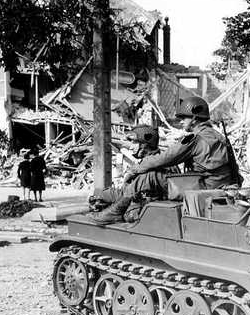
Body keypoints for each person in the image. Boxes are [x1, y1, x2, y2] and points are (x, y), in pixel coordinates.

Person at [92, 96, 236, 225]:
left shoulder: (196, 139)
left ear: (194, 118)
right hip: (216, 185)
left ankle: (116, 212)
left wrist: (135, 169)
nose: (180, 121)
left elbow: (166, 158)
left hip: (203, 187)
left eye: (183, 118)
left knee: (148, 177)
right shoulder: (217, 135)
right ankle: (114, 205)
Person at [91, 124, 179, 220]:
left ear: (144, 144)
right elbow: (126, 191)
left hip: (153, 206)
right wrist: (101, 196)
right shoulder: (145, 163)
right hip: (136, 197)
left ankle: (114, 214)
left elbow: (133, 192)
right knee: (101, 195)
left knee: (129, 213)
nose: (130, 146)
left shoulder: (156, 167)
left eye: (134, 142)